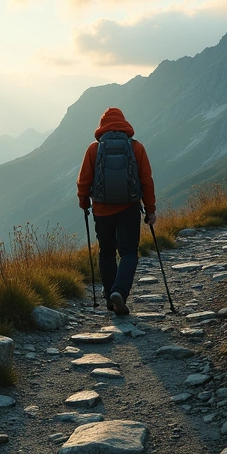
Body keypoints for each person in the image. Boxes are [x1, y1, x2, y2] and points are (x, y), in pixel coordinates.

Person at [76, 107, 156, 316]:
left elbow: (84, 181)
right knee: (129, 252)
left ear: (102, 126)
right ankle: (119, 291)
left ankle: (111, 299)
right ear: (124, 124)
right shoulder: (136, 148)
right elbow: (146, 181)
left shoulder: (94, 149)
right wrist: (151, 210)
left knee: (107, 253)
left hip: (102, 210)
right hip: (129, 208)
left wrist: (84, 202)